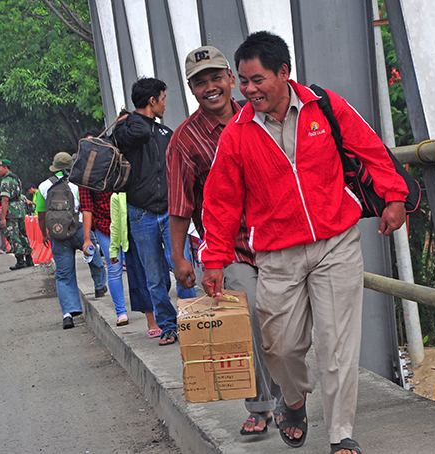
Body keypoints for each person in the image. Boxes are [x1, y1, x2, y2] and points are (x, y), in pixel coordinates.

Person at [199, 32, 408, 452]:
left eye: (257, 80)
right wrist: (214, 258)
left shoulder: (324, 107)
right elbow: (220, 201)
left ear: (283, 73)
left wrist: (395, 197)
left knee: (337, 345)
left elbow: (370, 149)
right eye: (243, 80)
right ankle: (293, 400)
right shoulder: (238, 135)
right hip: (277, 255)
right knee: (279, 347)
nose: (249, 90)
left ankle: (341, 435)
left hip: (336, 243)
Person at [167, 45, 283, 436]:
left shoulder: (262, 115)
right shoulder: (185, 140)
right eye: (200, 82)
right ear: (192, 90)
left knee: (281, 324)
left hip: (278, 238)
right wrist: (179, 257)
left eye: (216, 77)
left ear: (232, 79)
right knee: (251, 321)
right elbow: (180, 205)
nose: (211, 87)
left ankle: (287, 397)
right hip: (229, 248)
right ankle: (266, 405)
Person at [112, 77, 196, 346]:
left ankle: (192, 321)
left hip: (171, 212)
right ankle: (168, 326)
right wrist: (133, 117)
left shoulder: (165, 133)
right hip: (141, 213)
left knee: (183, 269)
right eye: (162, 98)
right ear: (152, 101)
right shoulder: (128, 131)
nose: (165, 103)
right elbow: (139, 133)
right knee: (154, 277)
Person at [37, 152, 108, 329]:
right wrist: (86, 237)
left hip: (57, 233)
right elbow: (86, 209)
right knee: (94, 258)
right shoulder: (79, 183)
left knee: (63, 274)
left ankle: (68, 313)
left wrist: (45, 234)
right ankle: (99, 286)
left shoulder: (44, 186)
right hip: (79, 228)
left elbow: (41, 215)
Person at [77, 156, 128, 325]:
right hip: (108, 227)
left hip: (125, 223)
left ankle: (143, 310)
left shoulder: (119, 166)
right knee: (115, 269)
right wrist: (86, 239)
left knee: (130, 267)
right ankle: (121, 312)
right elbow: (87, 208)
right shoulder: (87, 177)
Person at [109, 192, 162, 336]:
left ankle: (164, 316)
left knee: (161, 279)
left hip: (154, 239)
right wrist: (114, 250)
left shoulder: (148, 186)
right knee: (140, 282)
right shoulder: (117, 196)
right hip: (132, 243)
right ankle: (152, 322)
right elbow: (116, 224)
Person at [0, 159, 34, 270]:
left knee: (13, 235)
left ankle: (20, 261)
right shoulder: (16, 178)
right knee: (23, 234)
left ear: (5, 168)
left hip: (11, 211)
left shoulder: (6, 181)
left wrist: (3, 218)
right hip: (20, 209)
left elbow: (5, 200)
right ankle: (29, 258)